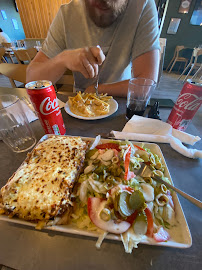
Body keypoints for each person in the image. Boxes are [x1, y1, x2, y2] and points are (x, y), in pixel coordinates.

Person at [26, 0, 160, 97]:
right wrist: (63, 58)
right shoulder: (66, 14)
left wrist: (96, 90)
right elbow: (32, 80)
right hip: (79, 106)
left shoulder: (143, 5)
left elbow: (146, 85)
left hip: (121, 103)